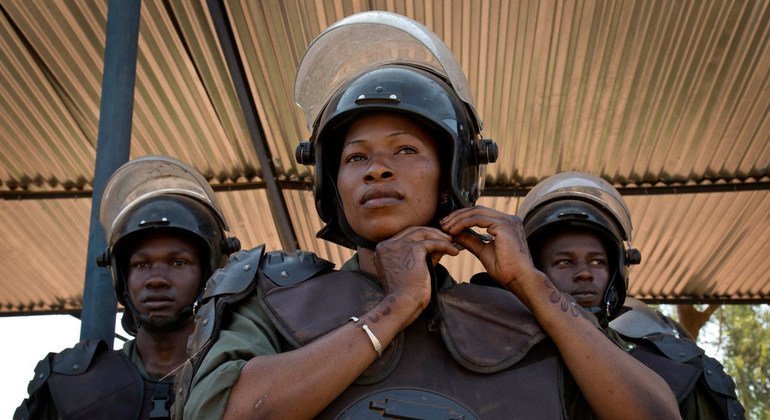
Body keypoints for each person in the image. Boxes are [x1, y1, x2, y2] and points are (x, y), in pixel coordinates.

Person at [177, 12, 679, 419]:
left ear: (451, 174)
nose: (376, 171)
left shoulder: (527, 319)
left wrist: (533, 287)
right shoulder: (274, 299)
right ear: (334, 185)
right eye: (356, 157)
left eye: (405, 151)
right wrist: (394, 308)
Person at [14, 156, 240, 420]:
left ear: (209, 273)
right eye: (141, 265)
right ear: (122, 277)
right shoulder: (69, 384)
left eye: (178, 262)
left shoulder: (242, 374)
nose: (156, 279)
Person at [514, 170, 745, 419]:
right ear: (534, 270)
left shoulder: (677, 367)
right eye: (563, 262)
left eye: (597, 262)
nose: (584, 274)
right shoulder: (498, 354)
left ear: (617, 272)